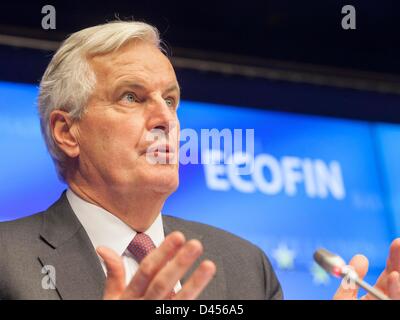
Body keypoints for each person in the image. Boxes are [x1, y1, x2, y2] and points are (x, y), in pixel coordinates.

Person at [1, 20, 399, 301]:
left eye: (170, 100)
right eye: (131, 97)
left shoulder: (245, 266)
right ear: (67, 132)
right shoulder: (8, 262)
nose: (165, 119)